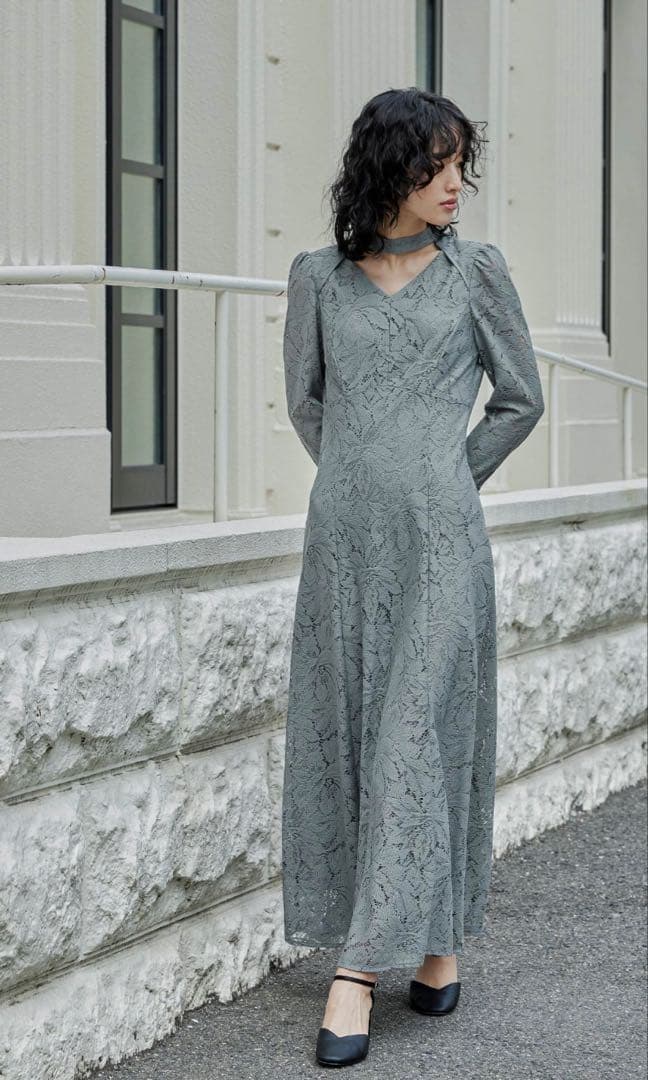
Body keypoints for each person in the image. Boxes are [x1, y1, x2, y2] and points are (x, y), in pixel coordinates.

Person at [280, 87, 545, 1068]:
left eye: (460, 165)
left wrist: (444, 478)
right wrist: (360, 477)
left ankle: (355, 972)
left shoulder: (477, 273)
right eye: (436, 165)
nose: (454, 184)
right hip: (345, 545)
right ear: (388, 167)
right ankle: (435, 943)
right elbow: (308, 405)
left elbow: (520, 399)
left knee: (414, 734)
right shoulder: (317, 278)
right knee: (354, 735)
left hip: (441, 545)